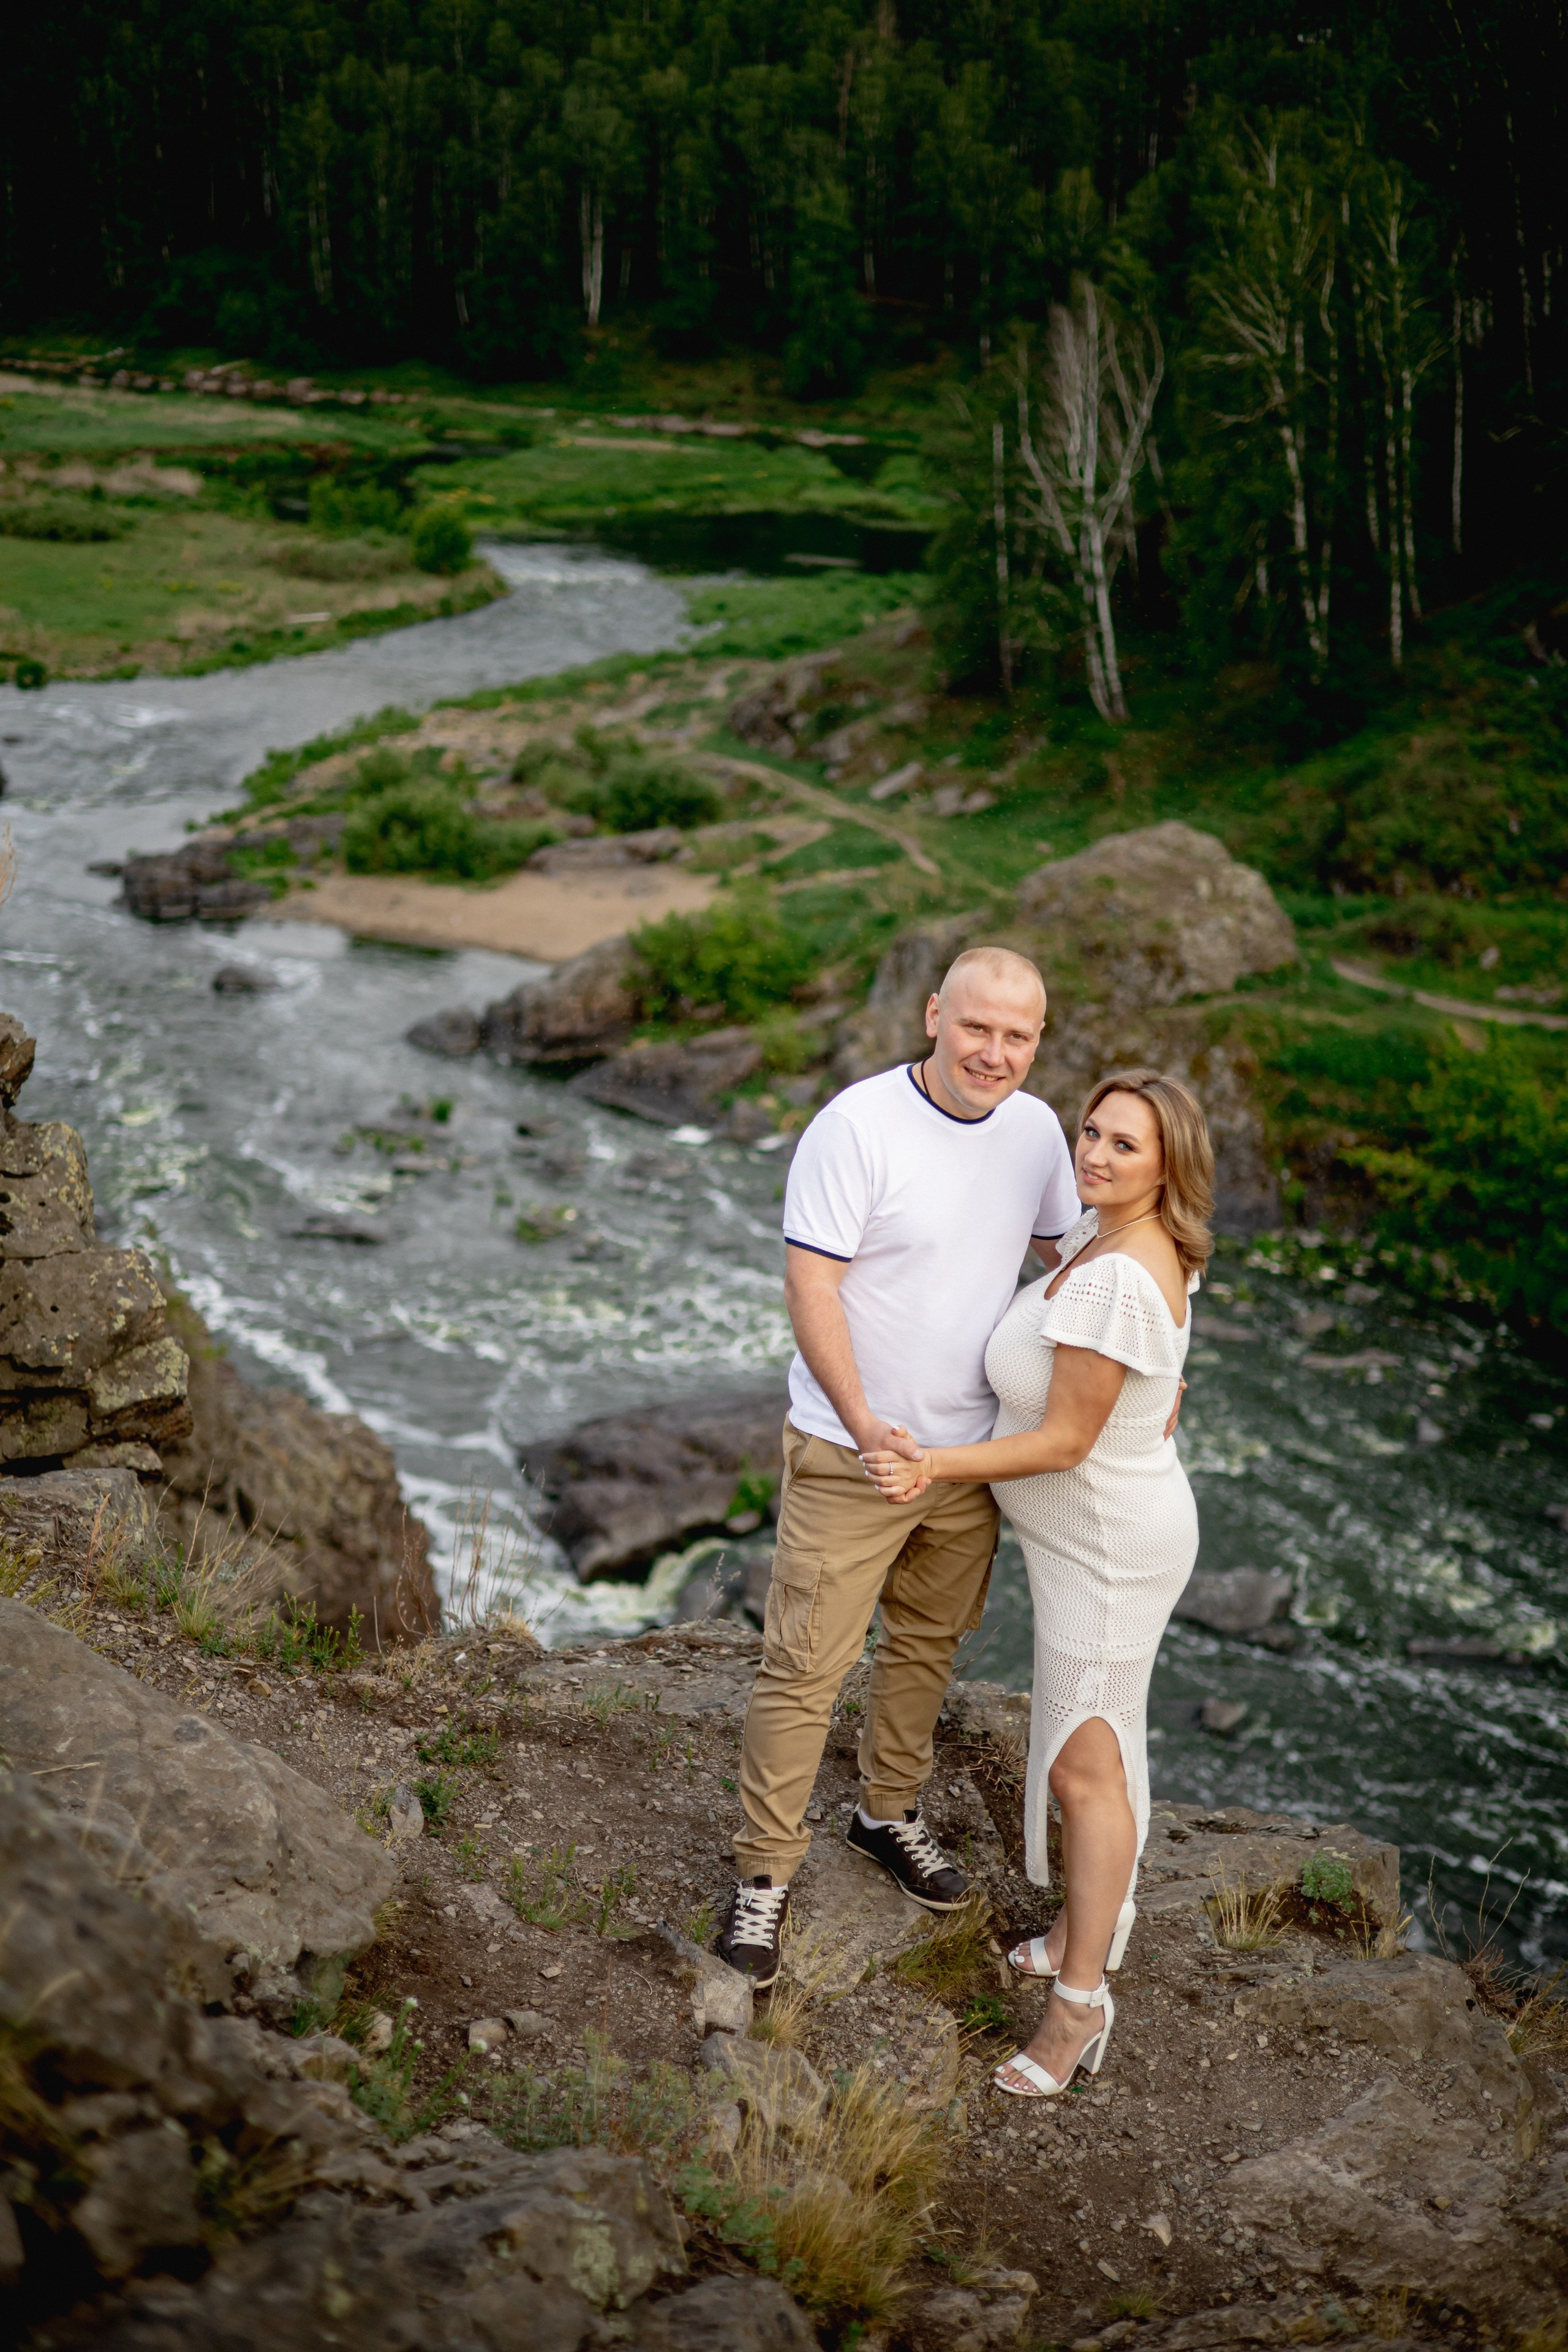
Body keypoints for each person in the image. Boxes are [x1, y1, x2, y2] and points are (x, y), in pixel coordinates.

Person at [715, 946, 1082, 1987]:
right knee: (806, 1666)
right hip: (851, 1450)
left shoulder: (1038, 1132)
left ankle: (885, 1814)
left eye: (1017, 1036)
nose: (994, 1053)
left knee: (926, 1648)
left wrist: (1148, 1335)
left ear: (1037, 1041)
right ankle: (764, 1877)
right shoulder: (856, 1125)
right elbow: (813, 1285)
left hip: (965, 1458)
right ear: (934, 1016)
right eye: (976, 1028)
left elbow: (1071, 1262)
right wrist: (865, 1421)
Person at [862, 1067, 1212, 2098]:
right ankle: (1079, 1930)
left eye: (1123, 1147)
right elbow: (1148, 1365)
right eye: (1091, 1134)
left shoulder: (1115, 1273)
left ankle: (1079, 2005)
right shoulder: (1115, 1242)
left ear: (1168, 1166)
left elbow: (1063, 1441)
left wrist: (931, 1458)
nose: (1094, 1157)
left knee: (1081, 1770)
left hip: (1106, 1547)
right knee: (1107, 1743)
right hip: (1100, 1534)